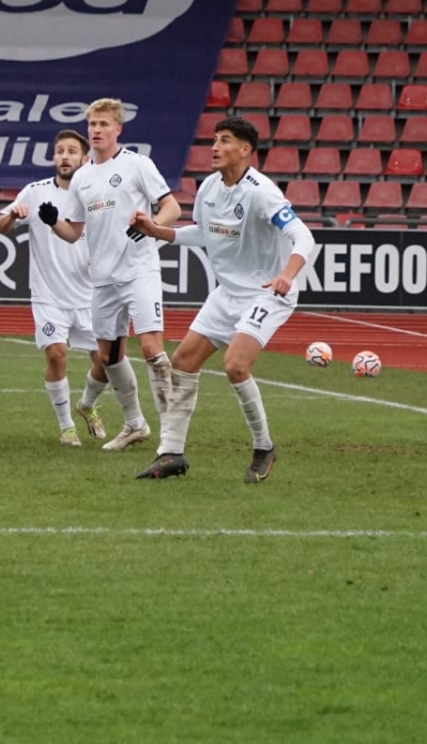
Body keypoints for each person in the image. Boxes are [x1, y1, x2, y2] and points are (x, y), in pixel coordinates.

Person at [128, 115, 315, 483]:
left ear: (245, 150)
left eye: (224, 140)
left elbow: (303, 236)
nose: (214, 147)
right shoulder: (209, 188)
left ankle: (264, 447)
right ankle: (171, 454)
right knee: (182, 361)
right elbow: (203, 233)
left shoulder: (262, 192)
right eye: (214, 140)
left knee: (235, 366)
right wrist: (157, 231)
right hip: (227, 293)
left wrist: (286, 276)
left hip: (267, 293)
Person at [43, 98, 181, 451]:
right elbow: (74, 232)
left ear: (118, 129)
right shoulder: (82, 177)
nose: (97, 130)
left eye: (104, 124)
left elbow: (172, 207)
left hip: (139, 270)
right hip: (102, 279)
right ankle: (135, 424)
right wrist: (52, 221)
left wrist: (152, 225)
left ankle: (171, 434)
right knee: (108, 356)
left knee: (152, 349)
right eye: (93, 125)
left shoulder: (137, 165)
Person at [0, 129, 109, 446]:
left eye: (72, 151)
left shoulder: (96, 194)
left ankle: (87, 404)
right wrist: (12, 215)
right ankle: (66, 426)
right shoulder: (34, 192)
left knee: (105, 360)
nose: (64, 156)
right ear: (53, 157)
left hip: (91, 295)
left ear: (84, 159)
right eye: (60, 150)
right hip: (49, 296)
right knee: (57, 355)